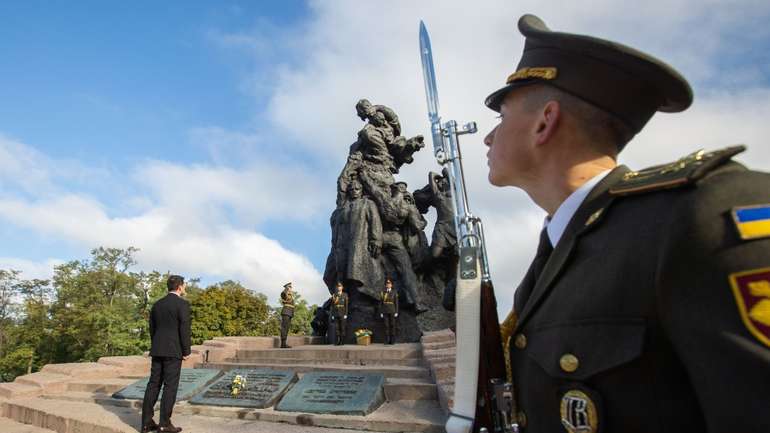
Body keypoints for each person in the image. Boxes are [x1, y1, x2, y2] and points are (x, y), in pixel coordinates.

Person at [483, 14, 770, 432]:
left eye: (500, 118)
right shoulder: (554, 256)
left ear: (545, 122)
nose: (489, 138)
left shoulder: (702, 213)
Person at [141, 275, 191, 433]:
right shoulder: (182, 304)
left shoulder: (157, 304)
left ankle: (146, 423)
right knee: (170, 386)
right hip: (173, 350)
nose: (185, 289)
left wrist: (155, 345)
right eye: (184, 286)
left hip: (157, 349)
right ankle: (164, 424)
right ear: (179, 287)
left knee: (153, 384)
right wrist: (186, 350)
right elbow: (184, 329)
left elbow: (152, 329)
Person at [379, 278, 399, 345]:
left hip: (392, 310)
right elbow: (381, 303)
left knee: (392, 325)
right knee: (386, 326)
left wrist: (396, 311)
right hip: (385, 310)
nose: (388, 285)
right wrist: (381, 312)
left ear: (391, 285)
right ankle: (387, 340)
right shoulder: (383, 292)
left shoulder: (394, 292)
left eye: (389, 284)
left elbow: (396, 303)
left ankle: (392, 340)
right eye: (387, 284)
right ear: (386, 285)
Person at [279, 282, 295, 349]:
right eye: (290, 287)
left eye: (291, 287)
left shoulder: (290, 295)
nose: (291, 288)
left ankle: (284, 343)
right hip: (286, 312)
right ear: (287, 287)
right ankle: (283, 344)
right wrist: (286, 288)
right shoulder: (284, 293)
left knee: (287, 328)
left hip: (289, 312)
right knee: (284, 328)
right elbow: (284, 294)